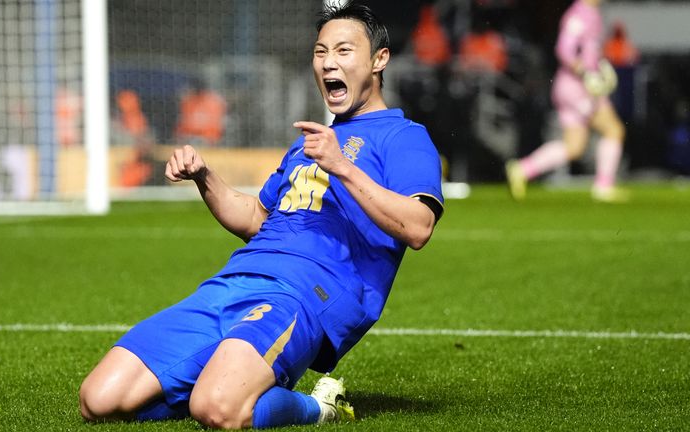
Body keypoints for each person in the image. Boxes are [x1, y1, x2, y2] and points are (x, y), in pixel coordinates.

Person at [78, 2, 444, 429]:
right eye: (320, 51)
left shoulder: (405, 136)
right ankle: (226, 383)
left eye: (344, 51)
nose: (328, 63)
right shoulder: (312, 142)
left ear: (379, 59)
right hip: (233, 282)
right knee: (98, 400)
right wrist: (203, 176)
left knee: (217, 409)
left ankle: (319, 408)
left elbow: (418, 227)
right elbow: (256, 217)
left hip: (303, 295)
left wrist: (342, 164)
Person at [505, 0, 627, 202]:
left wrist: (598, 66)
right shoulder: (579, 14)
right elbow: (564, 49)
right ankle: (604, 186)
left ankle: (522, 169)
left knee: (574, 146)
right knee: (614, 129)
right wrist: (587, 73)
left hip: (572, 88)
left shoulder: (590, 13)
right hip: (578, 89)